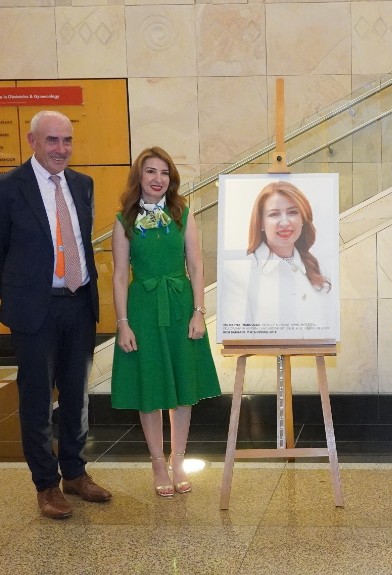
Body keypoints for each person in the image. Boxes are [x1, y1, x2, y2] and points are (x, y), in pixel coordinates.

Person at [0, 110, 111, 519]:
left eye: (67, 140)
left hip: (79, 303)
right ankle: (45, 484)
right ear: (32, 141)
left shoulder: (83, 185)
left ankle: (75, 474)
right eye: (52, 141)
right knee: (35, 399)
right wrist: (14, 299)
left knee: (77, 395)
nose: (61, 149)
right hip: (35, 310)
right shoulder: (9, 188)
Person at [111, 147, 220, 497]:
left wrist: (199, 312)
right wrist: (123, 322)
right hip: (142, 309)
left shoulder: (182, 213)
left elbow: (197, 265)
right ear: (139, 177)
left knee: (183, 389)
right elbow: (117, 275)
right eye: (150, 172)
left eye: (164, 173)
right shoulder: (123, 219)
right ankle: (157, 462)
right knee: (150, 387)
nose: (158, 179)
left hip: (179, 306)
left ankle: (178, 460)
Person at [223, 180, 335, 335]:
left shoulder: (321, 269)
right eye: (274, 214)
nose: (284, 222)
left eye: (292, 212)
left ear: (303, 219)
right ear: (261, 223)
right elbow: (237, 336)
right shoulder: (241, 272)